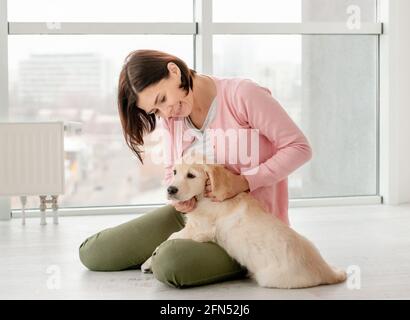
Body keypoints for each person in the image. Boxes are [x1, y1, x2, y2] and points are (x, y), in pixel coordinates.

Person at [78, 49, 312, 288]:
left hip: (244, 229)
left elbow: (299, 147)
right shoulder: (173, 118)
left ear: (174, 70)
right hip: (193, 217)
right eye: (155, 111)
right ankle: (184, 250)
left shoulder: (243, 95)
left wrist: (244, 182)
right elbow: (172, 170)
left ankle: (232, 261)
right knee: (94, 253)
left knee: (170, 264)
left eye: (161, 99)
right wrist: (179, 201)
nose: (165, 112)